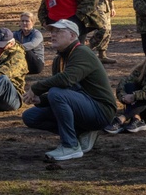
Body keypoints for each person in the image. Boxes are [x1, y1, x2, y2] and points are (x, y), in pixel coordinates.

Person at [21, 19, 117, 161]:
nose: (53, 34)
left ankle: (70, 146)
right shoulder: (58, 60)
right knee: (30, 116)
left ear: (72, 36)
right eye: (52, 31)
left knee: (56, 93)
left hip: (101, 110)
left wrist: (36, 88)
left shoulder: (82, 52)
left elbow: (66, 80)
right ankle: (82, 133)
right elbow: (63, 91)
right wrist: (41, 99)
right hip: (82, 106)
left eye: (59, 31)